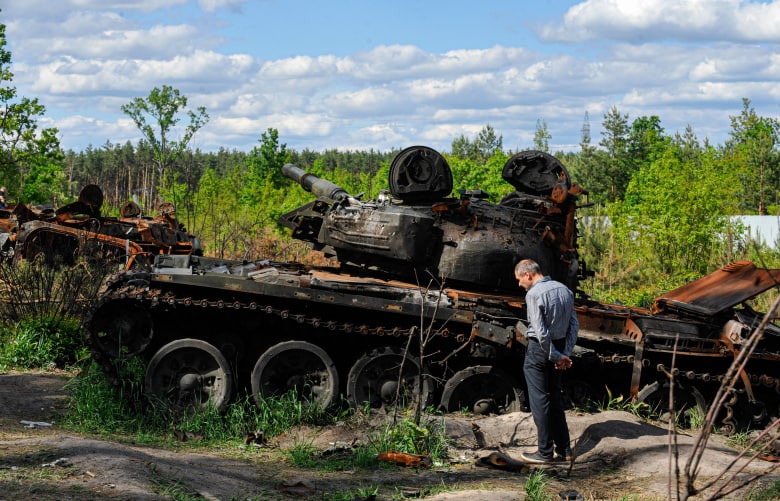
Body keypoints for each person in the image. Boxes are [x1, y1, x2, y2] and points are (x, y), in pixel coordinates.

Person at [515, 258, 578, 464]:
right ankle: (564, 450)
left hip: (540, 351)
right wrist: (565, 353)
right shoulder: (565, 290)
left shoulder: (534, 294)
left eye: (519, 279)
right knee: (555, 399)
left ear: (528, 274)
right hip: (559, 347)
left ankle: (544, 452)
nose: (519, 285)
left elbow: (541, 333)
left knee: (540, 400)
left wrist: (556, 356)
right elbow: (574, 325)